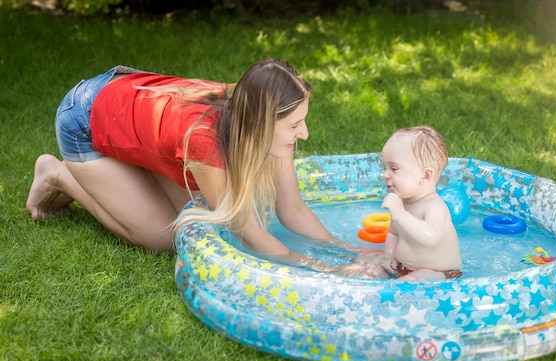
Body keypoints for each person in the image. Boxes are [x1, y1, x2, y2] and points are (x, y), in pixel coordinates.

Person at [25, 59, 368, 275]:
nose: (304, 133)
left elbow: (291, 209)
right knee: (161, 236)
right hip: (83, 118)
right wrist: (329, 271)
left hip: (122, 102)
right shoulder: (206, 139)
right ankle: (58, 174)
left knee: (190, 208)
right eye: (295, 125)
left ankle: (128, 170)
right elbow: (252, 234)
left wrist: (353, 251)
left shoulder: (259, 114)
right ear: (262, 121)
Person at [379, 125, 462, 281]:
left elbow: (431, 237)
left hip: (440, 272)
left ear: (425, 175)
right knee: (368, 268)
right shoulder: (401, 201)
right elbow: (393, 233)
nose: (385, 174)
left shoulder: (434, 206)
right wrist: (388, 256)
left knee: (407, 284)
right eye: (385, 167)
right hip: (402, 267)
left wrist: (401, 215)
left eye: (394, 169)